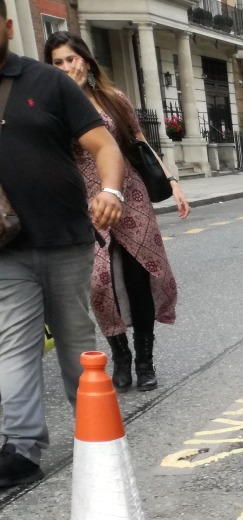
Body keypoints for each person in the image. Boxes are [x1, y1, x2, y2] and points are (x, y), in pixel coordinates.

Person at [0, 4, 125, 488]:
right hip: (6, 248)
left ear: (9, 27)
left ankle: (95, 430)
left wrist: (110, 191)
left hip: (66, 237)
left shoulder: (48, 82)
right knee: (14, 341)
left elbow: (104, 145)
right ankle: (21, 446)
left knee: (75, 340)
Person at [45, 31, 189, 395]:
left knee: (139, 280)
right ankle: (120, 357)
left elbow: (139, 143)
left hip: (131, 197)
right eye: (57, 62)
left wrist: (172, 181)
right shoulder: (53, 105)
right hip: (86, 203)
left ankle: (144, 362)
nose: (66, 67)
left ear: (86, 60)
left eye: (71, 59)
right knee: (100, 283)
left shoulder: (113, 99)